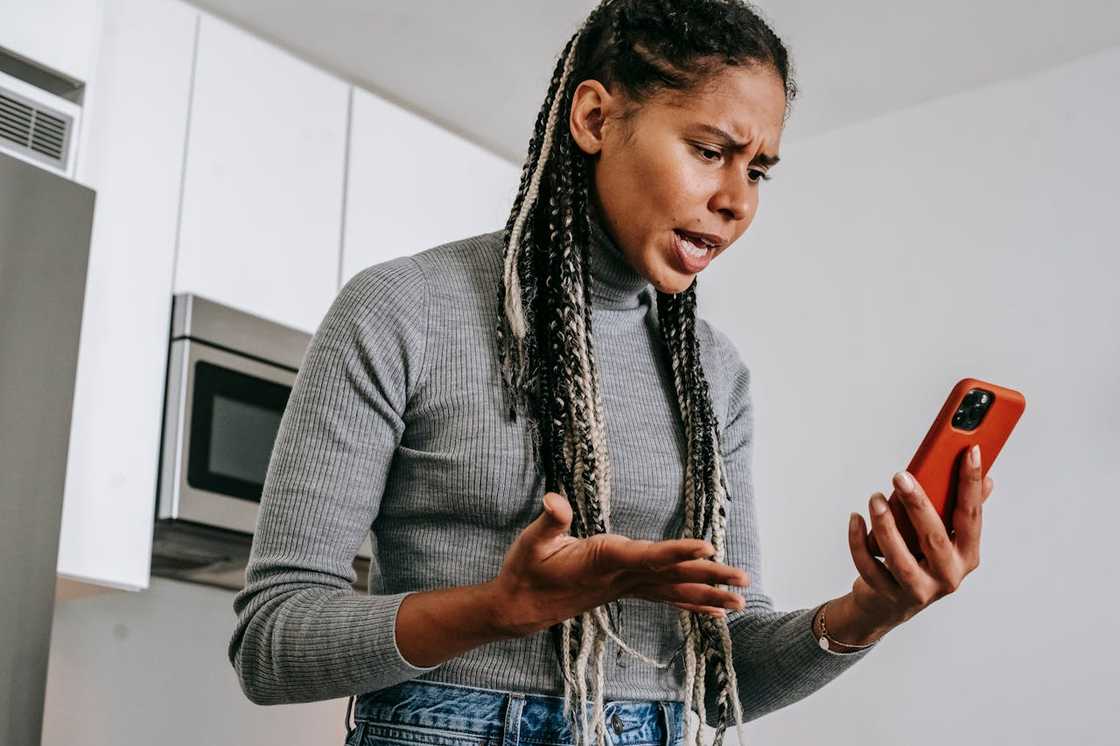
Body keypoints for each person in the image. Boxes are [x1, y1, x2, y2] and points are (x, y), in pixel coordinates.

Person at [228, 1, 995, 745]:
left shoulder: (713, 376)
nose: (735, 201)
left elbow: (723, 682)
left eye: (758, 170)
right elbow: (272, 639)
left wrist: (867, 613)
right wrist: (499, 608)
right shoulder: (404, 309)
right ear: (594, 119)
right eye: (709, 151)